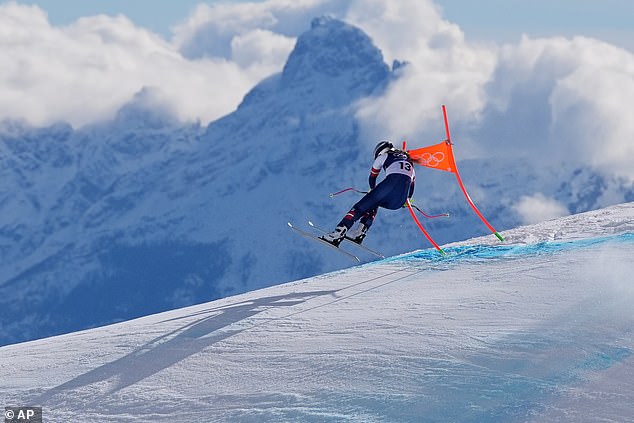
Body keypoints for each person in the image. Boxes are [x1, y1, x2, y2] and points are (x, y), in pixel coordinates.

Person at [321, 140, 415, 246]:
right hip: (398, 202)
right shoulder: (409, 162)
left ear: (380, 151)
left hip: (389, 186)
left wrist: (372, 190)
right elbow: (411, 187)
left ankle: (337, 234)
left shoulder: (384, 156)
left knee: (359, 208)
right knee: (374, 204)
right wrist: (407, 200)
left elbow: (372, 177)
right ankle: (359, 232)